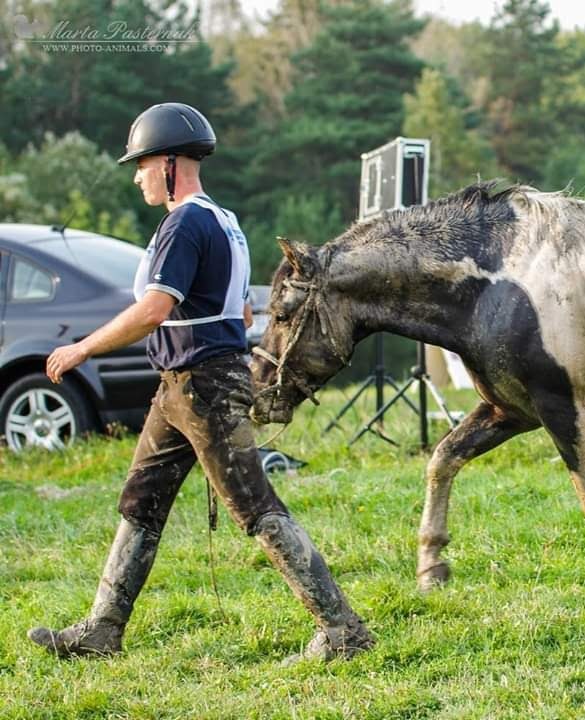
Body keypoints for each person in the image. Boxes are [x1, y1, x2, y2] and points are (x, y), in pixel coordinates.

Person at [27, 102, 373, 661]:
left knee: (255, 505)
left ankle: (342, 631)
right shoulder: (225, 222)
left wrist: (82, 347)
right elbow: (240, 316)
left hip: (201, 387)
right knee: (141, 499)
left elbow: (153, 310)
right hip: (181, 386)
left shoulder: (185, 222)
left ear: (168, 163)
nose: (137, 175)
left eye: (141, 164)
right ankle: (102, 628)